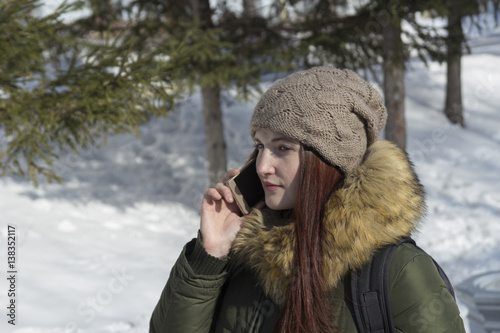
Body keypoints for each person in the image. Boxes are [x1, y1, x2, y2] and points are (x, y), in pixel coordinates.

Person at [149, 67, 466, 332]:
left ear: (329, 160)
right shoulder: (242, 255)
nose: (262, 166)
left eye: (283, 148)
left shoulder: (397, 272)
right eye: (260, 146)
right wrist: (210, 254)